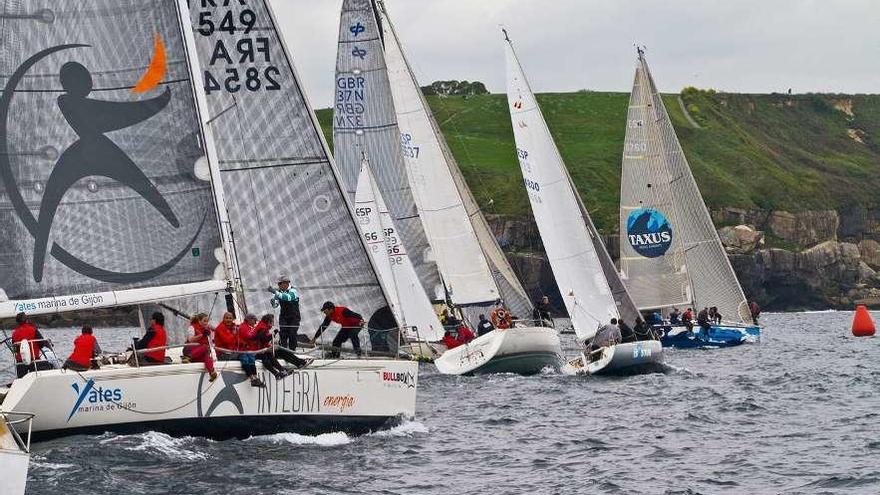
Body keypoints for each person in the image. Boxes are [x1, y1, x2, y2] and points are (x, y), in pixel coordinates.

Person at [239, 313, 281, 382]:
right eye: (254, 320)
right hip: (246, 350)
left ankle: (278, 372)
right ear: (249, 320)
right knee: (263, 356)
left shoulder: (250, 327)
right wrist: (270, 335)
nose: (256, 322)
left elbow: (256, 339)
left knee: (266, 355)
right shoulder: (244, 327)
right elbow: (251, 338)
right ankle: (254, 378)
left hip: (251, 350)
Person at [11, 312, 53, 378]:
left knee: (21, 379)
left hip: (20, 363)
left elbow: (15, 349)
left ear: (17, 322)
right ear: (26, 320)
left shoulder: (14, 333)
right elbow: (41, 344)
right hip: (34, 360)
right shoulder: (33, 329)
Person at [268, 276, 301, 351]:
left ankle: (292, 351)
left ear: (286, 283)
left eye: (280, 283)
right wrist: (273, 303)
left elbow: (288, 297)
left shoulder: (293, 291)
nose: (278, 285)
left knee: (292, 334)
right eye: (278, 284)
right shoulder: (279, 292)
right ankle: (283, 351)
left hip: (294, 317)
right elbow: (276, 305)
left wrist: (275, 292)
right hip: (283, 317)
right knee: (283, 334)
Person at [182, 313, 217, 382]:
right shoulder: (192, 327)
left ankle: (212, 372)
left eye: (207, 321)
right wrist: (201, 335)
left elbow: (211, 343)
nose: (206, 323)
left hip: (199, 353)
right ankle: (188, 357)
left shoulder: (207, 330)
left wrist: (209, 335)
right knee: (204, 347)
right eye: (204, 321)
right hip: (190, 349)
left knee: (207, 356)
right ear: (199, 321)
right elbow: (190, 340)